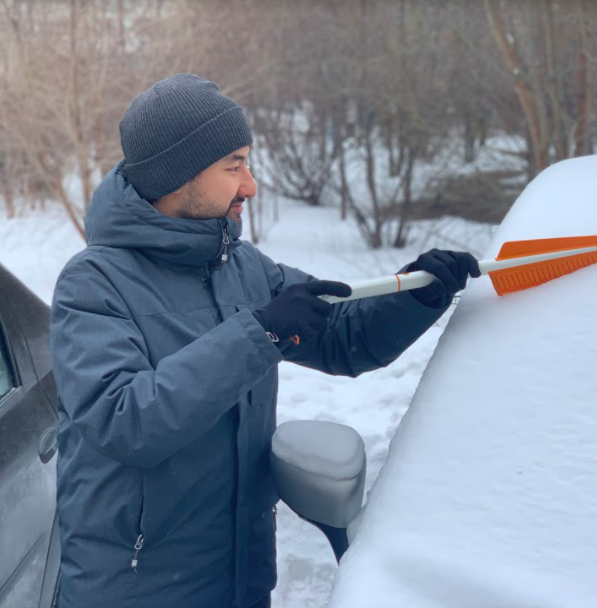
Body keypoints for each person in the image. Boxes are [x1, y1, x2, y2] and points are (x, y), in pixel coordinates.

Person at [49, 73, 480, 608]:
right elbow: (125, 422)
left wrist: (417, 292)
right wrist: (260, 333)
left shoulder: (244, 268)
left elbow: (345, 337)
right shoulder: (93, 283)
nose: (250, 185)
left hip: (242, 580)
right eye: (233, 166)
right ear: (176, 176)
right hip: (136, 591)